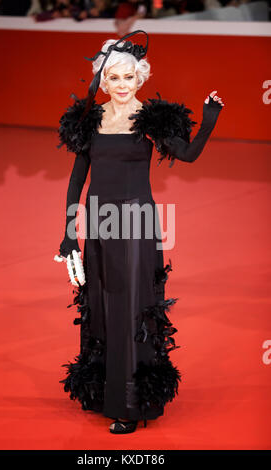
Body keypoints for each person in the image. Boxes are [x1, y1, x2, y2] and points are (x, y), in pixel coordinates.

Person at [54, 30, 224, 434]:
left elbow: (186, 154)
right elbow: (78, 179)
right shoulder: (90, 121)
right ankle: (101, 394)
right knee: (99, 304)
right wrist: (68, 232)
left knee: (132, 307)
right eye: (114, 78)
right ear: (104, 81)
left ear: (140, 78)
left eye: (129, 78)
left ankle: (130, 405)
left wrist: (208, 121)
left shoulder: (150, 119)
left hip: (135, 223)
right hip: (98, 222)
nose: (122, 86)